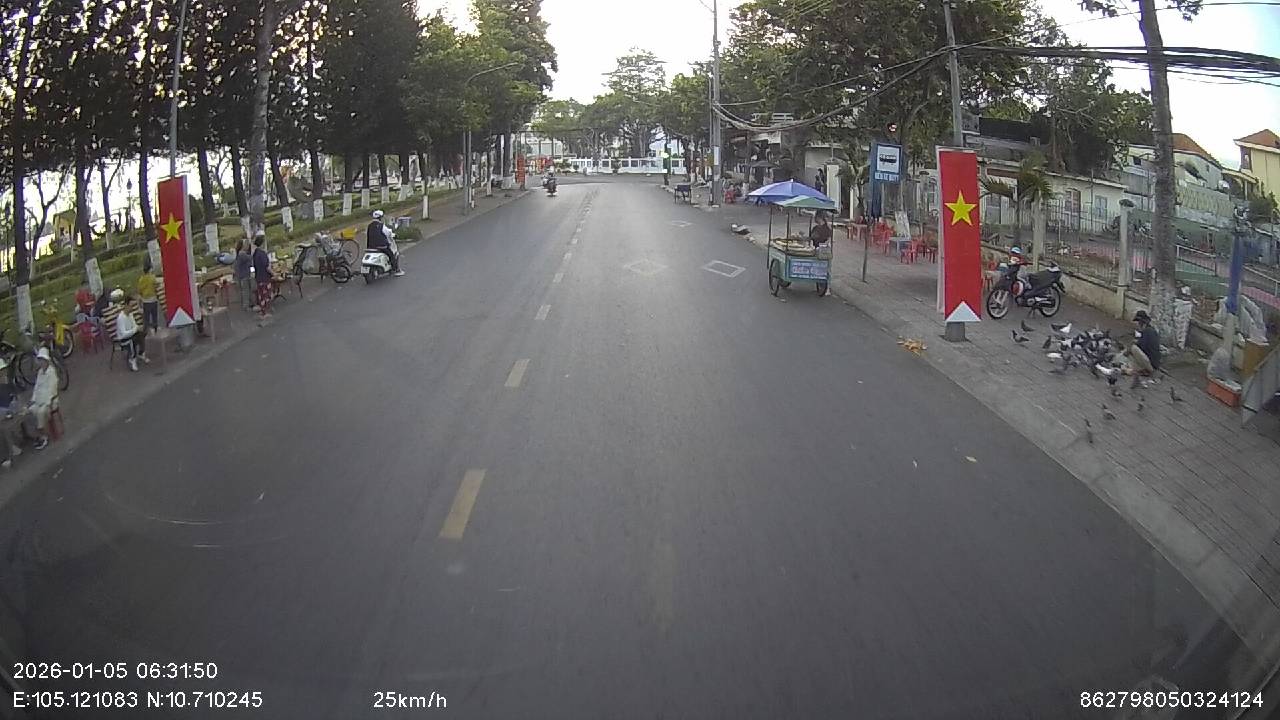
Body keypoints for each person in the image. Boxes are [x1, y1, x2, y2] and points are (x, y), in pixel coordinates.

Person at [111, 289, 149, 372]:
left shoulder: (131, 315)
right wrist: (135, 329)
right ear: (126, 305)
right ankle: (132, 359)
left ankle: (141, 353)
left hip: (131, 335)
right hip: (123, 339)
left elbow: (134, 326)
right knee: (132, 340)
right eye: (131, 306)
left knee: (142, 333)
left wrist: (138, 328)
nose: (132, 308)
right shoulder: (121, 318)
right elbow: (124, 334)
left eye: (133, 306)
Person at [29, 348, 58, 450]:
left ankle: (44, 437)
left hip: (50, 400)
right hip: (40, 399)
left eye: (43, 360)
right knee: (31, 410)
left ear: (46, 361)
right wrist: (33, 400)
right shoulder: (40, 372)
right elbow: (36, 387)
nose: (41, 362)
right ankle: (38, 434)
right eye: (40, 360)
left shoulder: (51, 372)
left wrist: (47, 403)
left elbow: (52, 389)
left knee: (41, 412)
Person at [1126, 310, 1162, 387]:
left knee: (1133, 348)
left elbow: (1143, 347)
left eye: (1139, 322)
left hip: (1151, 364)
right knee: (1133, 350)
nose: (1138, 325)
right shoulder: (1151, 330)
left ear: (1142, 323)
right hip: (1154, 362)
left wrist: (1135, 343)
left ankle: (1144, 370)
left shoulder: (1147, 331)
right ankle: (1138, 369)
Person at [365, 210, 403, 277]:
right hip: (381, 246)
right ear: (380, 218)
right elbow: (388, 233)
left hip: (371, 246)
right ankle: (396, 270)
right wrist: (394, 235)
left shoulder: (369, 226)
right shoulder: (381, 225)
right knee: (391, 255)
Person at [252, 234, 275, 315]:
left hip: (258, 277)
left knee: (261, 295)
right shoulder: (262, 254)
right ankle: (266, 312)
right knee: (267, 295)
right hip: (265, 277)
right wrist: (274, 274)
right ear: (262, 243)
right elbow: (267, 267)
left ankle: (263, 311)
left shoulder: (255, 253)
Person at [138, 258, 159, 333]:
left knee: (146, 318)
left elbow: (140, 291)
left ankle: (146, 332)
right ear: (150, 269)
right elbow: (156, 285)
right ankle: (155, 330)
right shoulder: (152, 277)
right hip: (153, 300)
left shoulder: (141, 279)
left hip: (145, 301)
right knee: (154, 316)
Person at [233, 239, 254, 310]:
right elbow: (251, 258)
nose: (247, 246)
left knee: (247, 290)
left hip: (243, 275)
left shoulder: (240, 254)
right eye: (246, 245)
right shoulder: (242, 254)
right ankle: (246, 306)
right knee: (246, 291)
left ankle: (250, 304)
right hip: (244, 275)